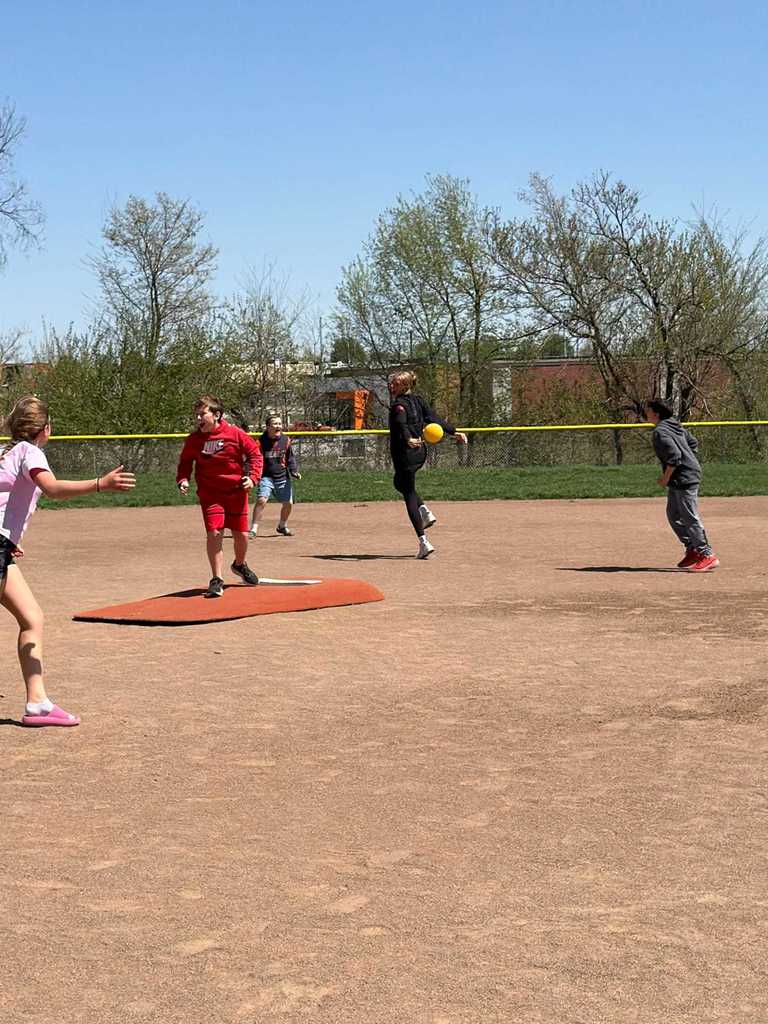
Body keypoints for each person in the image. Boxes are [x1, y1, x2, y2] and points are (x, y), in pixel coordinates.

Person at [0, 396, 135, 726]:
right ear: (45, 429)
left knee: (32, 617)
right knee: (32, 619)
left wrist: (7, 539)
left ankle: (38, 703)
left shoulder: (6, 453)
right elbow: (52, 488)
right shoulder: (31, 452)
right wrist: (100, 484)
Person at [176, 395, 263, 597]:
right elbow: (185, 463)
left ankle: (240, 565)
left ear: (216, 415)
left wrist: (252, 477)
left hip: (236, 492)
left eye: (202, 415)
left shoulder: (235, 434)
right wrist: (183, 479)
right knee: (215, 532)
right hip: (210, 494)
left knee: (241, 535)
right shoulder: (194, 440)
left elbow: (255, 455)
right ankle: (217, 579)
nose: (198, 419)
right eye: (196, 415)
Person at [388, 370, 467, 559]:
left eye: (395, 384)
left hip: (405, 453)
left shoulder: (398, 405)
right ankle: (424, 510)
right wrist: (454, 432)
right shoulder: (419, 401)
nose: (392, 386)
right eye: (392, 383)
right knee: (399, 484)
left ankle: (423, 541)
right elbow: (435, 419)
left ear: (405, 386)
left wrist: (407, 439)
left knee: (407, 493)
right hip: (419, 452)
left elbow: (401, 425)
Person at [645, 399, 719, 572]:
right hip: (682, 477)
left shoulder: (661, 432)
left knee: (689, 517)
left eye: (648, 410)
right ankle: (693, 549)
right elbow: (693, 443)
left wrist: (665, 478)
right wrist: (690, 459)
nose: (646, 413)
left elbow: (675, 457)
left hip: (685, 477)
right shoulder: (673, 424)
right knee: (673, 515)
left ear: (656, 414)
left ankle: (707, 554)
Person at [249, 414, 301, 537]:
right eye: (275, 424)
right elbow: (255, 459)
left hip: (282, 476)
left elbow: (290, 458)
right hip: (266, 476)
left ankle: (282, 526)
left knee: (288, 504)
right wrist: (252, 474)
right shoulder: (261, 442)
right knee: (262, 500)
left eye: (279, 423)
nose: (278, 426)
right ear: (268, 427)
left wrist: (294, 471)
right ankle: (253, 529)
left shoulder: (286, 440)